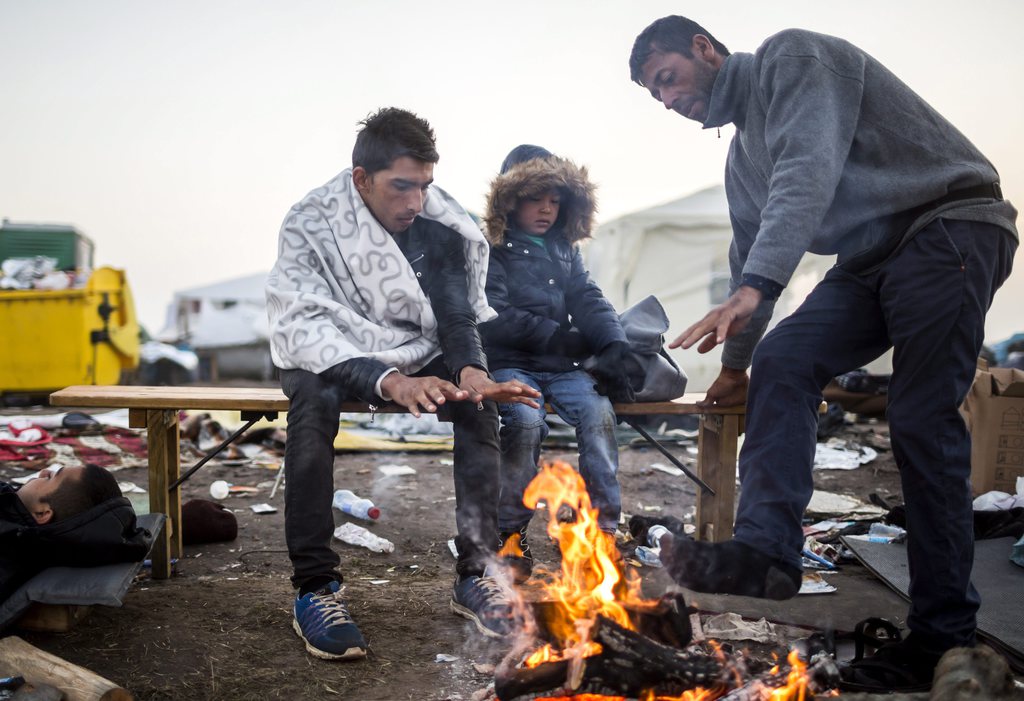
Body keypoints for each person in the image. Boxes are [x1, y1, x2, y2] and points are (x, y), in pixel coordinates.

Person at [629, 16, 1017, 692]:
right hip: (870, 258)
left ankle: (942, 632)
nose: (668, 101)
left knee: (921, 421)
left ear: (704, 49)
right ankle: (769, 553)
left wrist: (757, 288)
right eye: (654, 97)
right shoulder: (742, 159)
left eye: (667, 80)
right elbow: (746, 251)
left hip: (947, 223)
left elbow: (807, 170)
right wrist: (734, 364)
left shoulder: (793, 58)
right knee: (784, 359)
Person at [266, 108, 541, 661]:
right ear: (361, 178)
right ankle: (316, 589)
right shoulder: (310, 222)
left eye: (424, 186)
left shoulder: (438, 226)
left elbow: (454, 316)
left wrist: (470, 371)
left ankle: (476, 573)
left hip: (411, 346)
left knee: (477, 404)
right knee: (314, 402)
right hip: (323, 347)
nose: (415, 202)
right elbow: (300, 323)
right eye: (401, 187)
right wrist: (386, 379)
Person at [479, 145, 632, 579]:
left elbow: (587, 296)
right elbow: (493, 314)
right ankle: (509, 533)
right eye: (535, 198)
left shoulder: (564, 247)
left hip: (563, 366)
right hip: (509, 363)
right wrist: (562, 338)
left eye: (555, 200)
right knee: (526, 425)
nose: (547, 209)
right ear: (509, 200)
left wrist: (613, 343)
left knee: (599, 414)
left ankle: (600, 534)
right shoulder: (490, 247)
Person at [1, 464, 135, 603]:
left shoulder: (9, 546)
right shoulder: (13, 522)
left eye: (49, 478)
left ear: (42, 513)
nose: (43, 472)